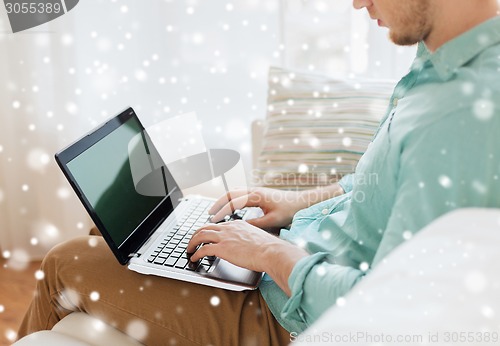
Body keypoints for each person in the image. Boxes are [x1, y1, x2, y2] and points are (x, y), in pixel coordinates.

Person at [18, 0, 500, 345]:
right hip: (293, 262)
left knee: (65, 260)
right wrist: (295, 205)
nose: (357, 4)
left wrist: (273, 255)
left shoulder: (462, 114)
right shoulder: (438, 64)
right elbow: (370, 191)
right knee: (119, 238)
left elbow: (397, 312)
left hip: (286, 317)